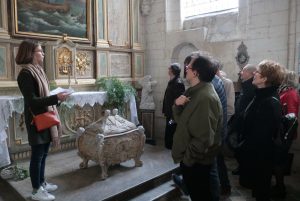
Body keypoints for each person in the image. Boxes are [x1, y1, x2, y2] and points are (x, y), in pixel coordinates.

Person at [16, 39, 70, 201]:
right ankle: (36, 190)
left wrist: (58, 99)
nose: (43, 53)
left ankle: (41, 183)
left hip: (45, 117)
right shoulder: (25, 74)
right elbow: (32, 101)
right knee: (37, 155)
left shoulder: (38, 71)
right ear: (31, 54)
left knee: (44, 153)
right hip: (36, 120)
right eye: (40, 51)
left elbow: (43, 96)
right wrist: (55, 98)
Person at [172, 53, 223, 201]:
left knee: (202, 196)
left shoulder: (205, 97)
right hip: (193, 161)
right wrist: (177, 105)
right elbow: (182, 121)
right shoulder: (194, 92)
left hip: (196, 162)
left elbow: (203, 138)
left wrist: (187, 160)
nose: (186, 68)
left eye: (189, 66)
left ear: (196, 72)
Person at [238, 60, 285, 201]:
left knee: (261, 192)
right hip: (256, 154)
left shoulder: (269, 101)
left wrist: (242, 148)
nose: (254, 74)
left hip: (261, 156)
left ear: (265, 78)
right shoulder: (261, 95)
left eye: (257, 72)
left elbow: (261, 136)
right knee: (259, 190)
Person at [272, 70, 299, 198]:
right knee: (277, 160)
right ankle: (278, 185)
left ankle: (280, 188)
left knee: (279, 161)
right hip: (280, 132)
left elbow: (291, 118)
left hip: (285, 133)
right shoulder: (284, 91)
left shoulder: (291, 93)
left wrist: (284, 136)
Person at [229, 64, 257, 175]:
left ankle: (245, 169)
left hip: (245, 124)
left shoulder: (252, 87)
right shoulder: (245, 85)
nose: (241, 73)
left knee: (241, 148)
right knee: (237, 147)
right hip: (239, 121)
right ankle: (242, 167)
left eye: (243, 71)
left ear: (251, 74)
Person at [162, 63, 185, 149]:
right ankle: (168, 144)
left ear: (172, 70)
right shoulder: (172, 81)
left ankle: (171, 145)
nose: (168, 69)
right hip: (169, 112)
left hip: (173, 113)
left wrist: (174, 113)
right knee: (169, 126)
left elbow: (178, 100)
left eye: (169, 68)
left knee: (171, 127)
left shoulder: (178, 82)